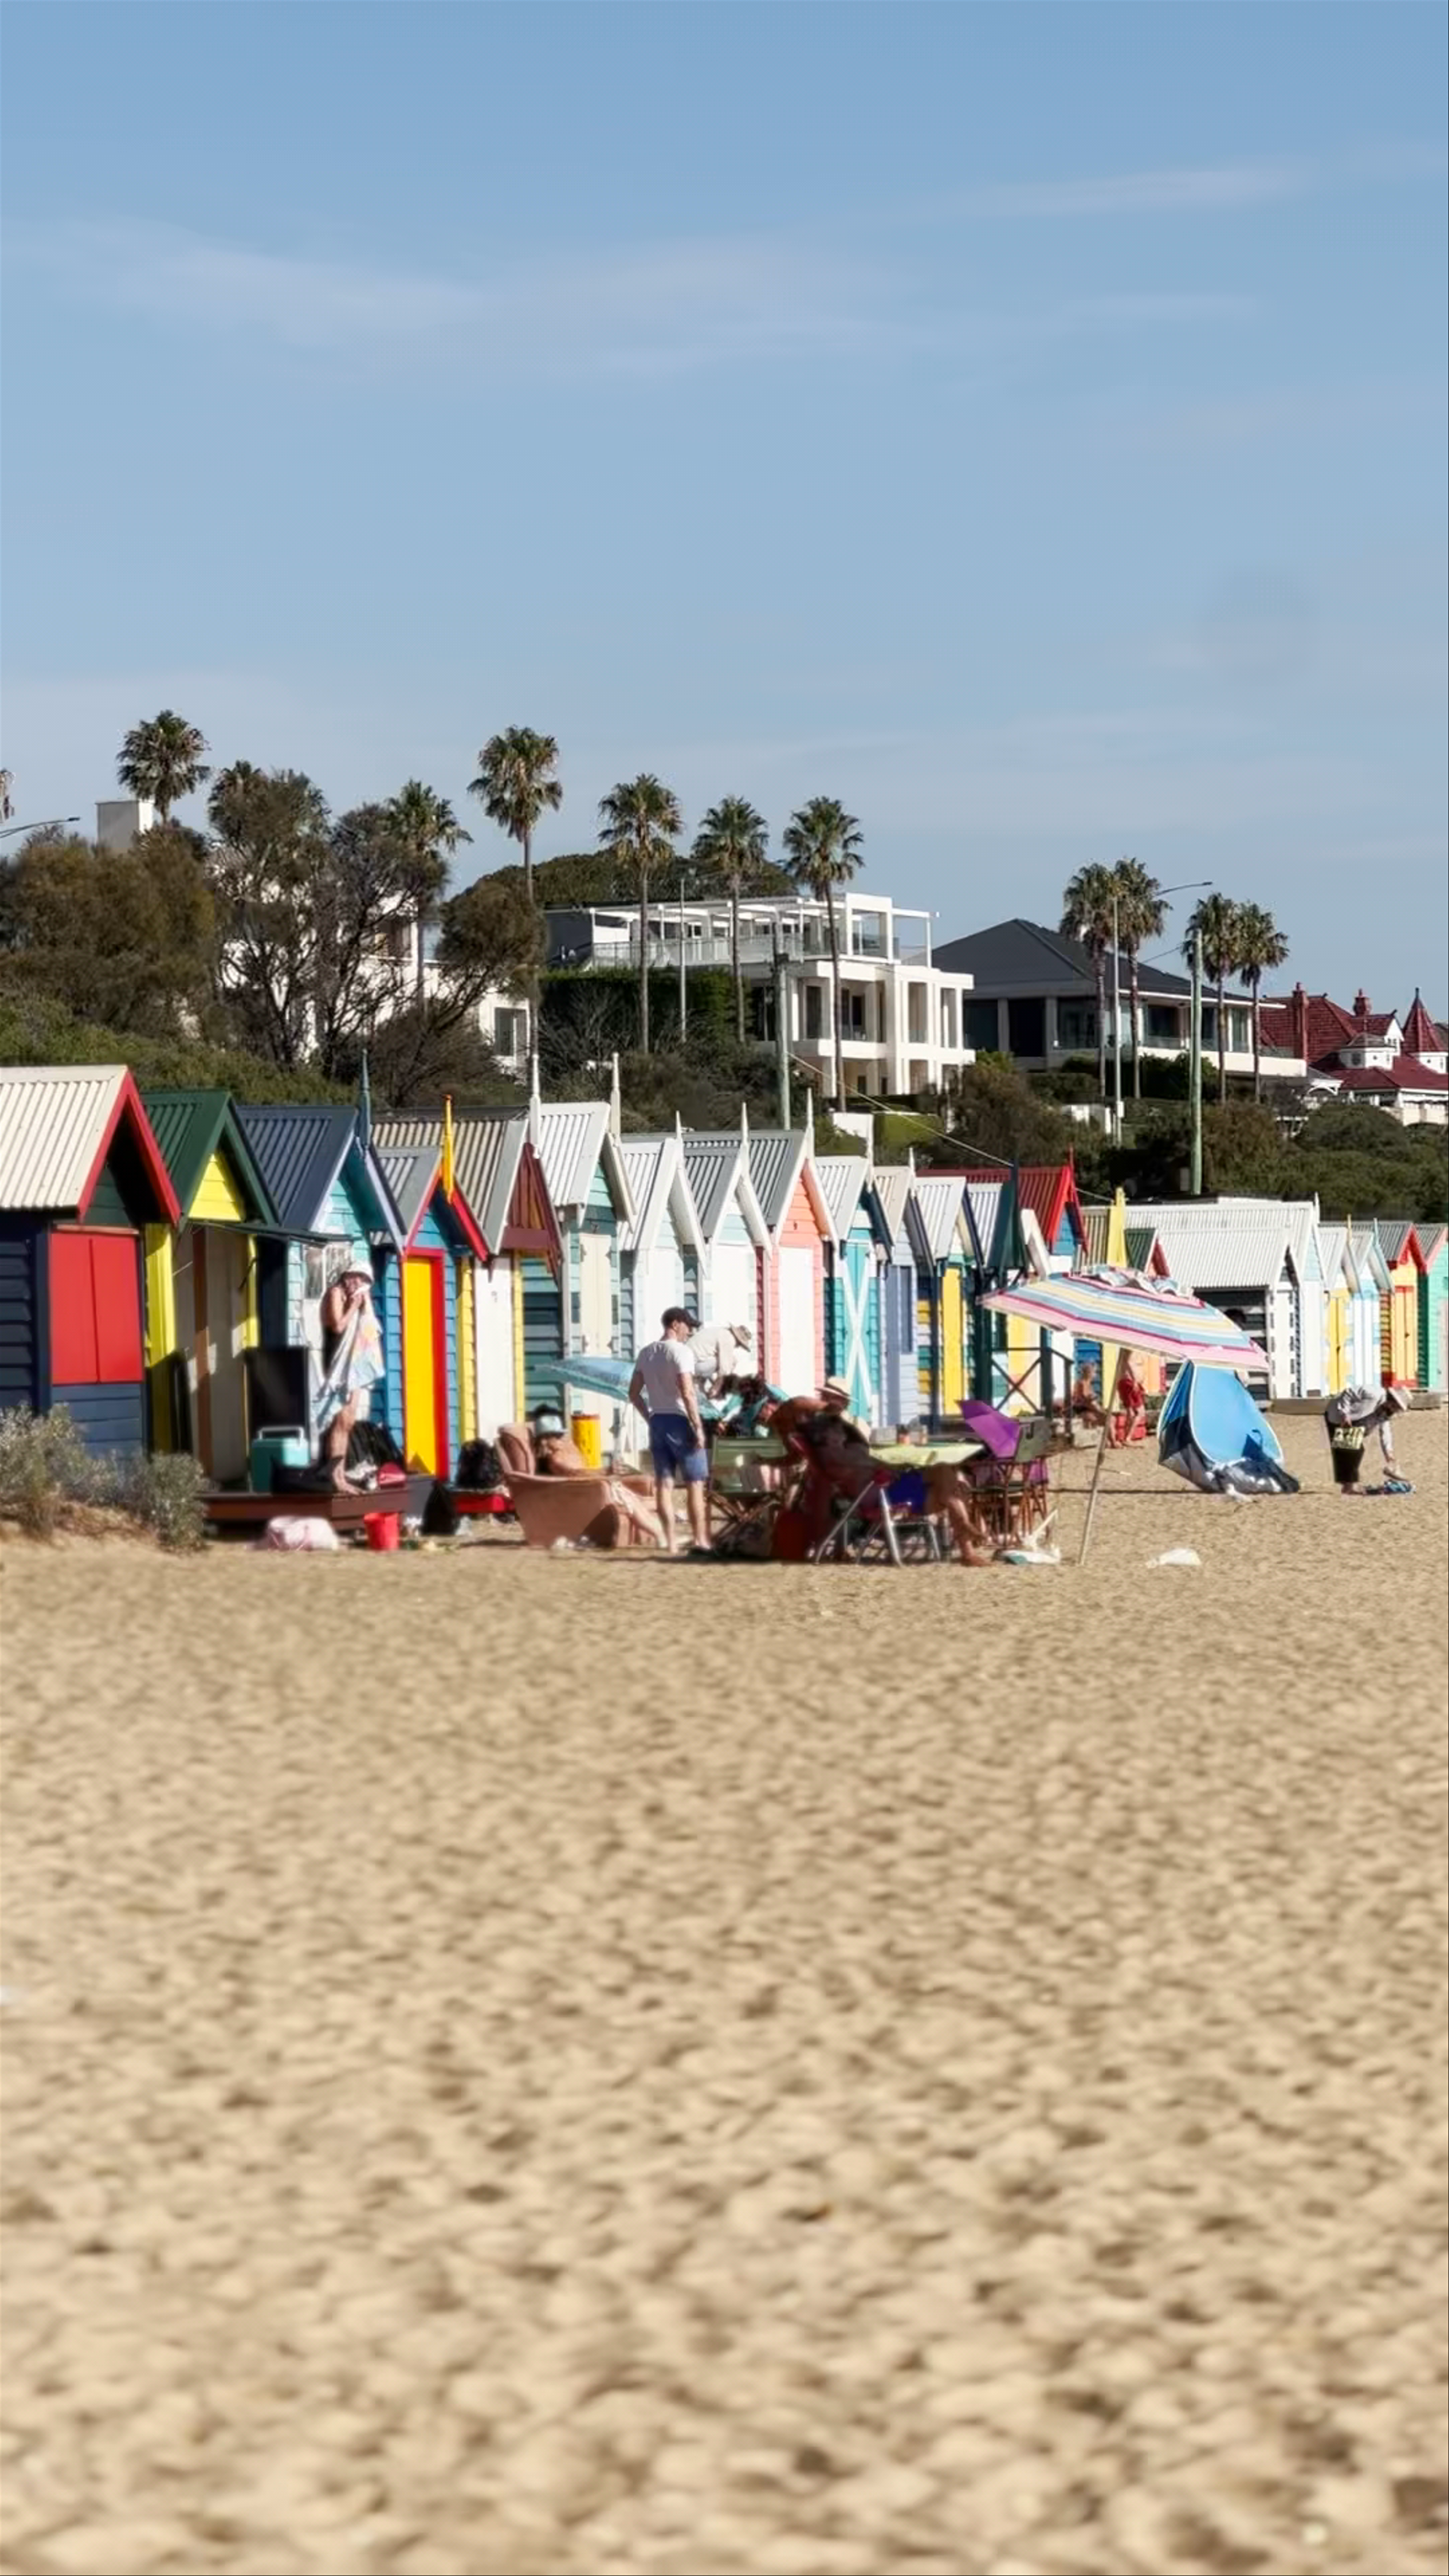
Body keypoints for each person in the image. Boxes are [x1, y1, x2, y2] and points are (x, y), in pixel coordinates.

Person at [629, 1309, 711, 1556]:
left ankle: (672, 1542)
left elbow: (634, 1393)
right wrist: (698, 1427)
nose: (690, 1332)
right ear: (676, 1324)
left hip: (658, 1421)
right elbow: (687, 1392)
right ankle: (700, 1541)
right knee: (695, 1483)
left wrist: (649, 1417)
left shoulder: (646, 1353)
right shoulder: (682, 1352)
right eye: (688, 1326)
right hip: (679, 1421)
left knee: (664, 1485)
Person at [528, 1406, 665, 1548]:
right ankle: (660, 1536)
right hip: (584, 1494)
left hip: (589, 1489)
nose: (562, 1439)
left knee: (632, 1500)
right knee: (628, 1501)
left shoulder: (563, 1452)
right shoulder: (555, 1460)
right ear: (545, 1440)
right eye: (556, 1436)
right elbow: (577, 1475)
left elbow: (581, 1473)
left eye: (560, 1435)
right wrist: (605, 1472)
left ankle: (661, 1535)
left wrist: (606, 1475)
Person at [317, 1253, 384, 1489]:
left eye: (363, 1280)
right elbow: (337, 1325)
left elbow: (370, 1330)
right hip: (336, 1363)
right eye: (356, 1277)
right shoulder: (336, 1293)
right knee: (339, 1420)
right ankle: (334, 1477)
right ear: (348, 1276)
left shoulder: (358, 1298)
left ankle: (341, 1474)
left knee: (347, 1422)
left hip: (353, 1366)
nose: (358, 1283)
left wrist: (364, 1306)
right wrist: (354, 1306)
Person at [1322, 1380, 1411, 1492]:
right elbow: (1348, 1393)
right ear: (1392, 1400)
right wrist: (1345, 1414)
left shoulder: (1386, 1412)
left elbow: (1385, 1432)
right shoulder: (1373, 1393)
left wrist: (1389, 1454)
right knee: (1352, 1450)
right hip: (1336, 1415)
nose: (1395, 1410)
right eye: (1396, 1407)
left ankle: (1348, 1485)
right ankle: (1350, 1486)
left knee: (1349, 1449)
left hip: (1354, 1422)